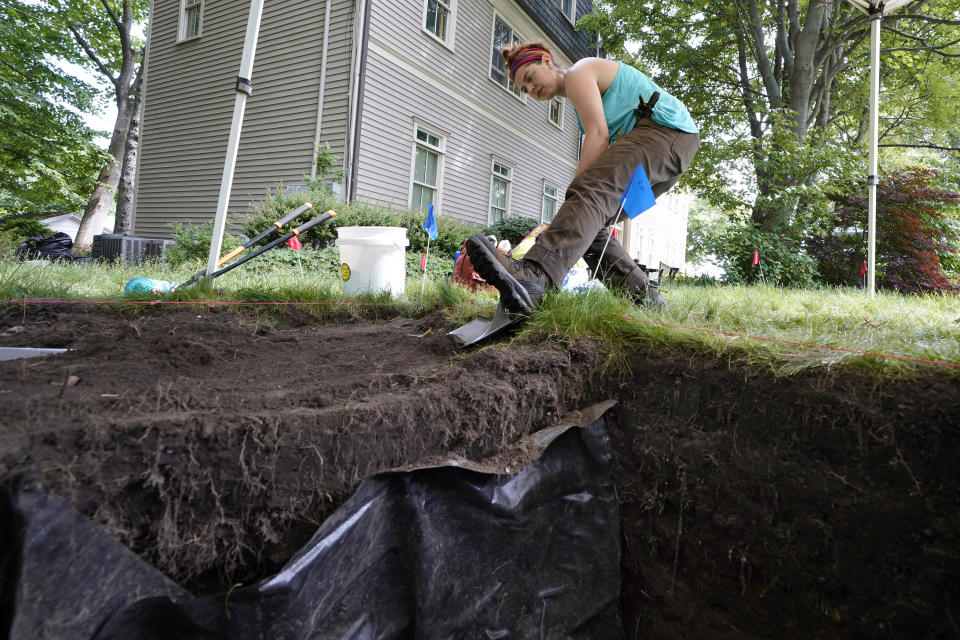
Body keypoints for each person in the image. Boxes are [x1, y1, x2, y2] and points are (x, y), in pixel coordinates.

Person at [465, 42, 699, 313]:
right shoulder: (580, 102)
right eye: (525, 89)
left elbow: (598, 135)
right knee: (588, 225)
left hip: (666, 131)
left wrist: (575, 192)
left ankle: (535, 276)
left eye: (530, 77)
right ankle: (647, 301)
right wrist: (576, 203)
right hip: (675, 150)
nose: (531, 89)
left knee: (586, 198)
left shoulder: (579, 72)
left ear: (547, 60)